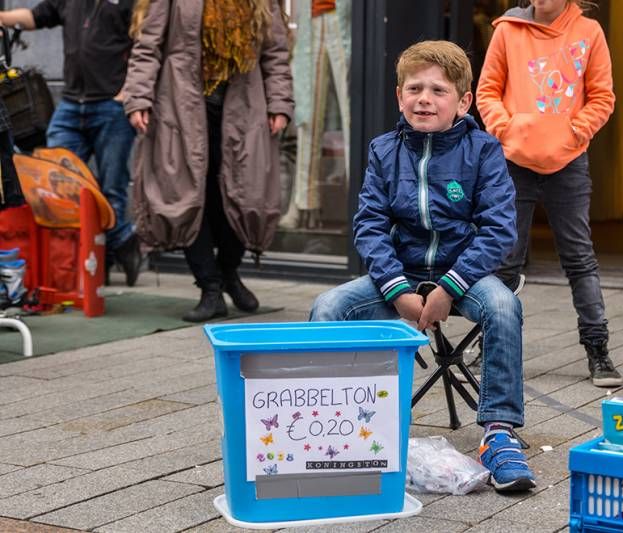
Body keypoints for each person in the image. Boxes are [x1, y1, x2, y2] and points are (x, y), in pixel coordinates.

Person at [311, 41, 535, 493]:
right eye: (414, 88)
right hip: (402, 273)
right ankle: (332, 428)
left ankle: (498, 433)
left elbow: (498, 230)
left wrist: (450, 287)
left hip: (466, 274)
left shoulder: (484, 151)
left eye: (438, 90)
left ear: (464, 101)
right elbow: (370, 225)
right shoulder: (383, 150)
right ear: (399, 96)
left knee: (503, 306)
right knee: (328, 305)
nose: (424, 99)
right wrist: (398, 292)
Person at [476, 0, 621, 387]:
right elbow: (487, 90)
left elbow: (602, 97)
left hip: (569, 162)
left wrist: (574, 132)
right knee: (505, 259)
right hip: (513, 163)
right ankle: (494, 348)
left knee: (578, 257)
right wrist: (507, 131)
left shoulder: (589, 32)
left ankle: (598, 352)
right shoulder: (507, 30)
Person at [124, 0, 293, 322]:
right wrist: (139, 98)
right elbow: (148, 46)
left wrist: (280, 104)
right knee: (187, 196)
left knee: (246, 197)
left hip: (245, 107)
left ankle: (228, 271)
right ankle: (210, 287)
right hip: (180, 107)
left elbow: (275, 53)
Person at [0, 1, 143, 287]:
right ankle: (118, 243)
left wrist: (130, 91)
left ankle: (111, 253)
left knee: (113, 188)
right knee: (56, 183)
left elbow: (146, 46)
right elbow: (33, 16)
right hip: (71, 105)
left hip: (110, 105)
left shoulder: (128, 2)